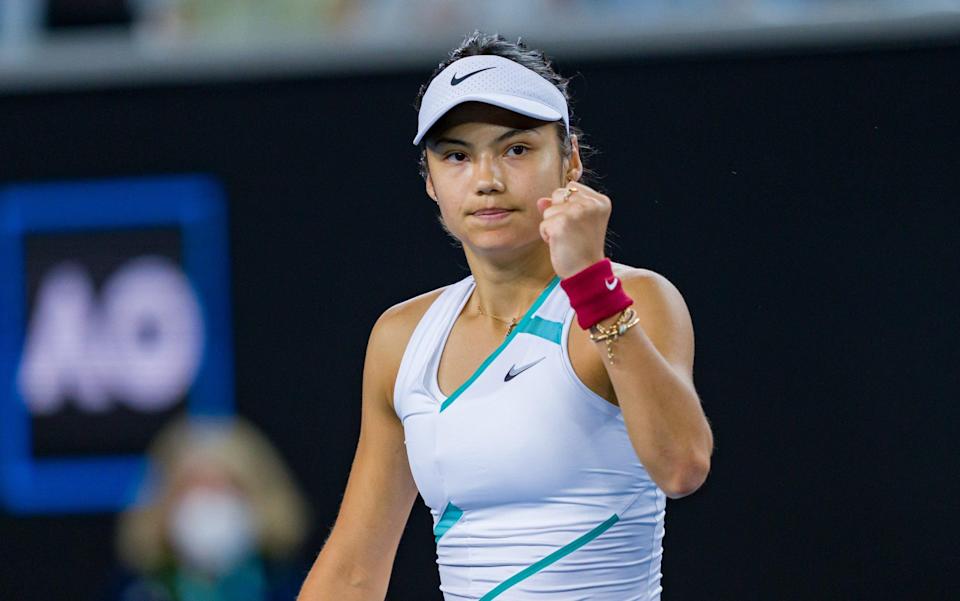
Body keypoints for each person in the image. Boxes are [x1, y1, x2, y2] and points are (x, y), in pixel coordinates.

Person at [298, 31, 713, 601]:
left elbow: (682, 467)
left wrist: (592, 282)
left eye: (515, 149)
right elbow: (353, 571)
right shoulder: (403, 338)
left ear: (570, 163)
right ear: (429, 180)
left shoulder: (636, 297)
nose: (487, 179)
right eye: (457, 156)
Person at [107, 415, 310, 601]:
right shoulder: (135, 592)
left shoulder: (298, 588)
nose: (208, 502)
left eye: (225, 485)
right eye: (193, 486)